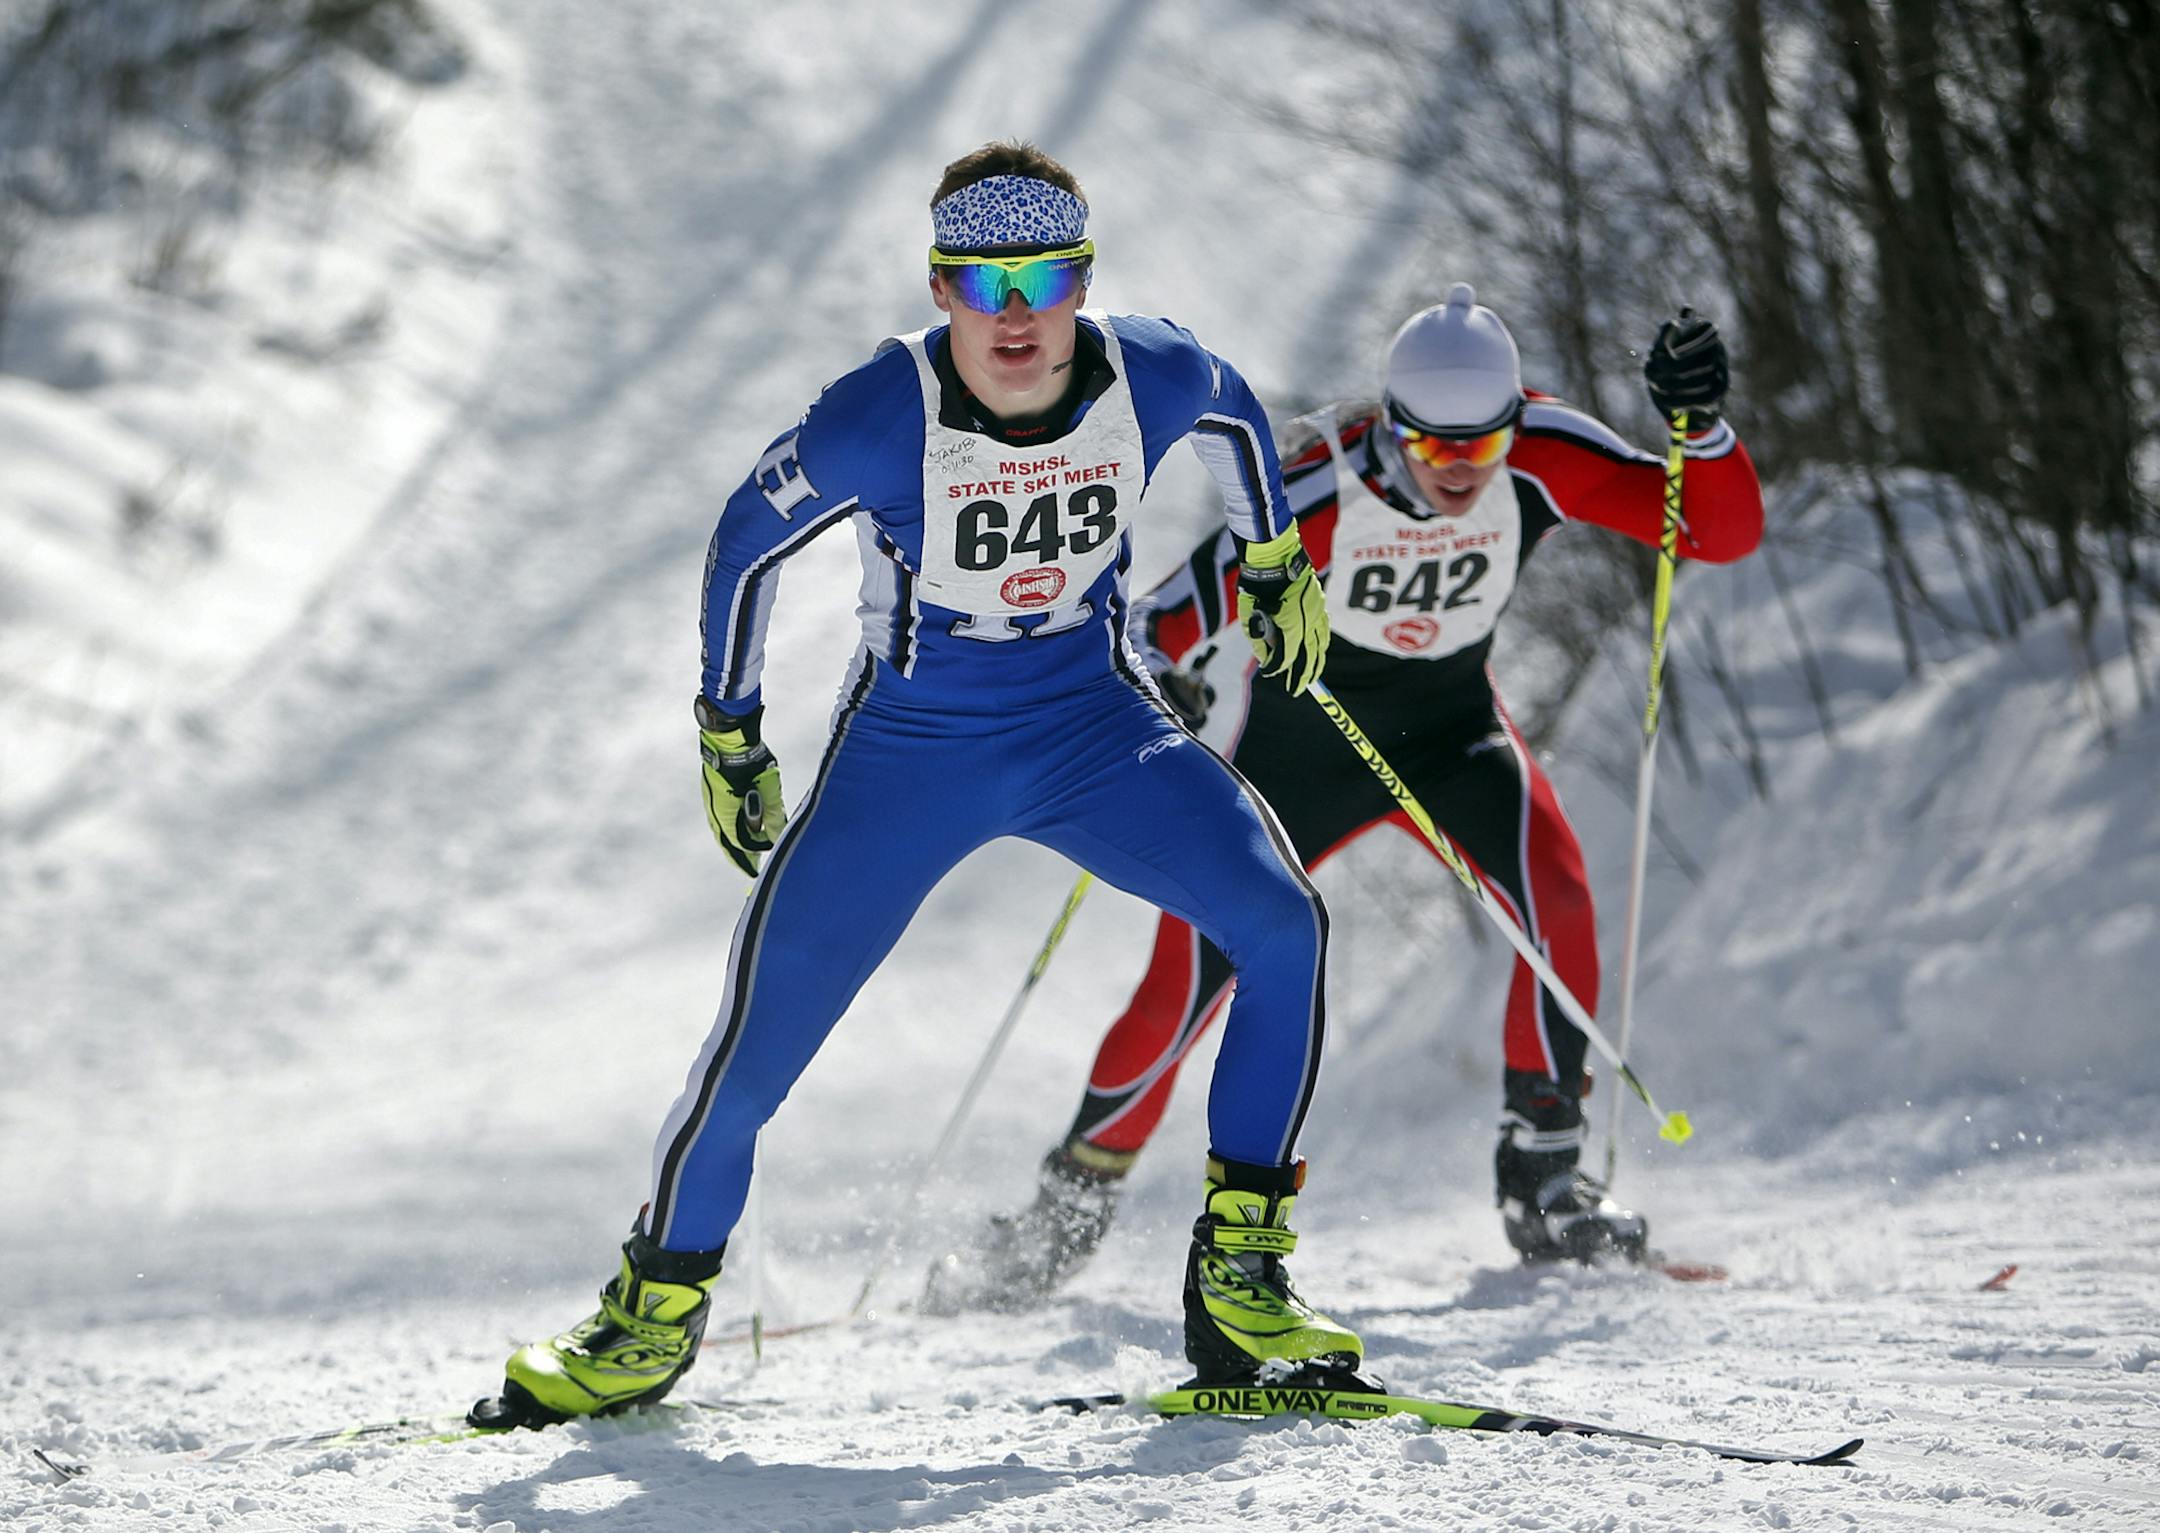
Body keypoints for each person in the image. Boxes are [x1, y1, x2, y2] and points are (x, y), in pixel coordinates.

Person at [473, 142, 1368, 1427]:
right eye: (983, 280)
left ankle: (1240, 1285)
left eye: (1044, 276)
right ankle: (648, 1318)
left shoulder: (1153, 369)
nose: (1015, 313)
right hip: (914, 749)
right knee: (753, 1053)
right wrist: (731, 730)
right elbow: (746, 538)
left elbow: (1233, 411)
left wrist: (1274, 555)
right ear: (941, 288)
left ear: (1082, 281)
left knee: (1282, 924)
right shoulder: (877, 411)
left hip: (1089, 725)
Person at [925, 285, 1762, 1313]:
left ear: (1512, 424)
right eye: (1434, 451)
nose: (1459, 475)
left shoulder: (1543, 452)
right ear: (1389, 427)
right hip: (1295, 754)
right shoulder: (1316, 493)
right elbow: (1152, 628)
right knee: (1187, 981)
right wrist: (1163, 682)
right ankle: (1061, 1217)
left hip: (1451, 736)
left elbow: (1713, 531)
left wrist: (1705, 431)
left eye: (1482, 452)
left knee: (1559, 898)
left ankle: (1546, 1184)